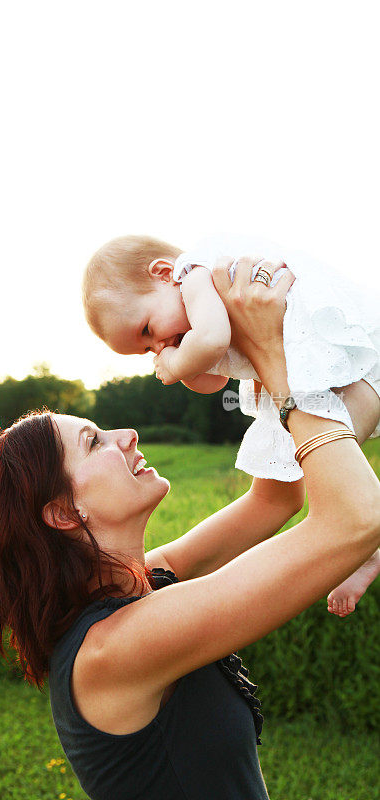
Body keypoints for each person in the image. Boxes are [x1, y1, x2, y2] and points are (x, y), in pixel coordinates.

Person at [0, 259, 380, 799]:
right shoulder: (115, 650)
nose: (127, 434)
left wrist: (250, 349)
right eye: (93, 442)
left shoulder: (142, 582)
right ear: (63, 514)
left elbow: (275, 498)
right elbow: (354, 521)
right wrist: (277, 360)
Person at [82, 234, 380, 616]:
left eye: (147, 331)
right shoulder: (191, 320)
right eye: (147, 349)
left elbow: (213, 340)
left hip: (346, 354)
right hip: (299, 377)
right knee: (307, 461)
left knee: (334, 455)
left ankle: (361, 541)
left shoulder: (193, 276)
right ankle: (363, 544)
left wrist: (174, 364)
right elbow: (214, 380)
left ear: (162, 273)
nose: (157, 346)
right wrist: (179, 360)